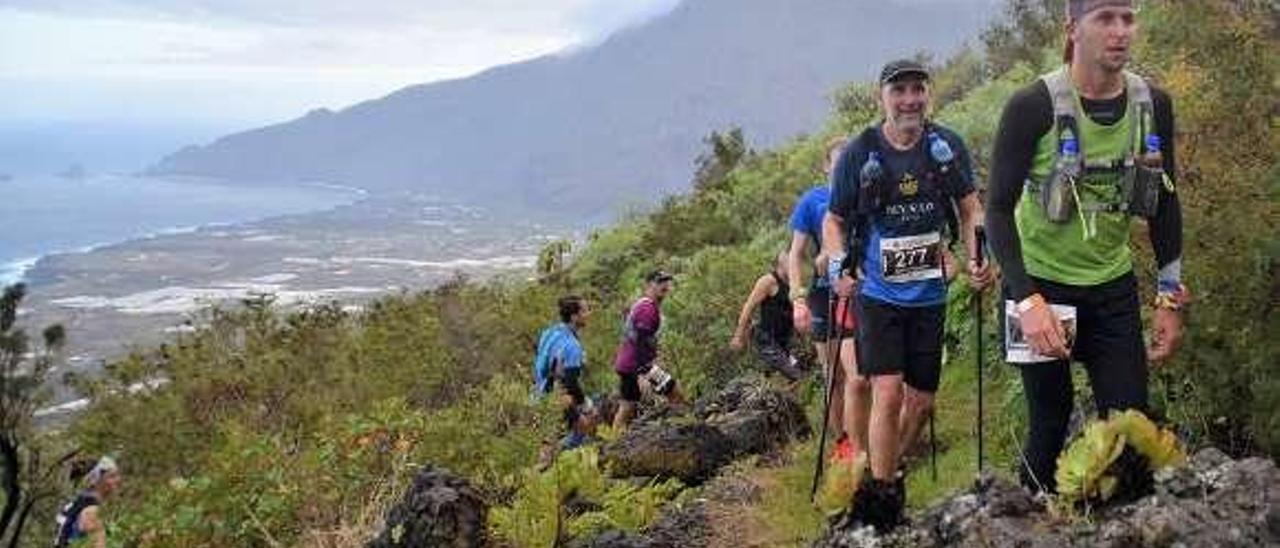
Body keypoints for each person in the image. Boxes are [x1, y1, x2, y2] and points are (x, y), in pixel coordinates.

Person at [985, 0, 1187, 494]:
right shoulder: (1031, 106)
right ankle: (1026, 523)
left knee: (1131, 430)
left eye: (1128, 18)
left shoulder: (1152, 104)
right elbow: (996, 212)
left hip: (1110, 288)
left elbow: (1165, 203)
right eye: (1106, 19)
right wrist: (1026, 301)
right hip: (1038, 286)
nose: (1120, 31)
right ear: (1073, 28)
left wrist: (1169, 295)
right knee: (1049, 424)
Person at [823, 59, 993, 530]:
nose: (909, 100)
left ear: (928, 95)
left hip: (929, 295)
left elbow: (970, 208)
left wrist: (979, 256)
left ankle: (884, 469)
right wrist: (838, 267)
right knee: (887, 390)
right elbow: (834, 221)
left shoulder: (946, 146)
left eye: (918, 89)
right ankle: (883, 501)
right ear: (883, 97)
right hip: (877, 292)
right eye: (899, 91)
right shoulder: (861, 151)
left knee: (920, 402)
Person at [788, 135, 870, 461]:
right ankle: (843, 442)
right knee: (833, 376)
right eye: (837, 164)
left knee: (859, 375)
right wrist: (797, 298)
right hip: (823, 295)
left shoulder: (866, 197)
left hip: (861, 292)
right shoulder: (812, 201)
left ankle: (860, 441)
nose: (843, 171)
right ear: (826, 166)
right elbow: (794, 255)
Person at [611, 270, 686, 430]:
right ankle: (681, 428)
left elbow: (644, 340)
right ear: (649, 285)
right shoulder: (647, 309)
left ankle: (612, 441)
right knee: (674, 394)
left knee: (628, 407)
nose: (665, 285)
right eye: (660, 281)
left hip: (634, 365)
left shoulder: (645, 304)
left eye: (667, 281)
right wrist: (640, 375)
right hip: (637, 367)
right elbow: (637, 342)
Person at [729, 251, 805, 381]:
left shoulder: (794, 283)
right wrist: (738, 336)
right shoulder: (768, 282)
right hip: (766, 339)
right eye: (789, 263)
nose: (793, 266)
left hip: (784, 341)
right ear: (780, 265)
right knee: (797, 376)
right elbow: (749, 308)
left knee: (797, 370)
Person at [533, 295, 597, 449]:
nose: (589, 313)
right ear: (574, 316)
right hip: (556, 396)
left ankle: (554, 456)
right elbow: (571, 383)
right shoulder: (572, 346)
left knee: (550, 437)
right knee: (585, 423)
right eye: (585, 310)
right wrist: (585, 404)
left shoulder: (549, 332)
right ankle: (558, 457)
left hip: (538, 392)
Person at [54, 456, 120, 548]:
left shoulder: (77, 504)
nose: (118, 480)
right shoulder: (91, 512)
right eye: (111, 476)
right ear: (95, 480)